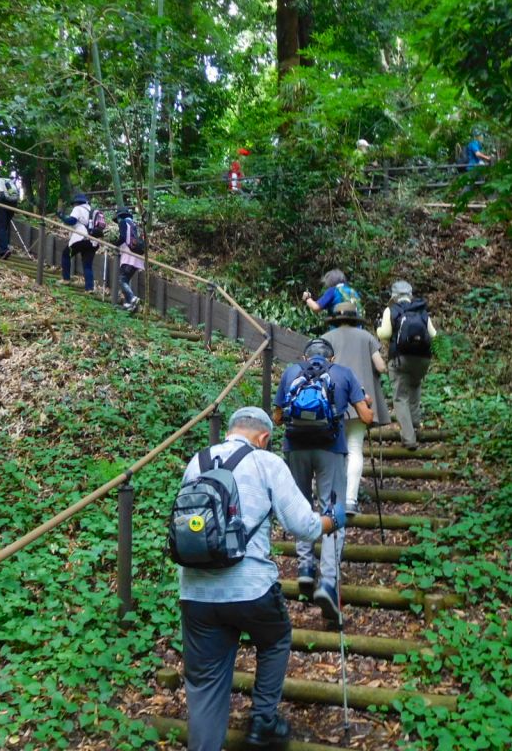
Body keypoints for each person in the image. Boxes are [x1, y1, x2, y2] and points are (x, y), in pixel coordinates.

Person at [179, 406, 346, 750]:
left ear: (229, 430)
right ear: (265, 438)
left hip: (195, 592)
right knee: (275, 640)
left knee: (206, 681)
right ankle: (263, 721)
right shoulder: (266, 462)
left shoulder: (197, 461)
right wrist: (333, 520)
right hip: (251, 588)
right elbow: (304, 526)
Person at [273, 339, 373, 624]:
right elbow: (366, 418)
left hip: (295, 448)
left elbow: (278, 418)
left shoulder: (291, 372)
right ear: (333, 357)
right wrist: (365, 403)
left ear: (305, 356)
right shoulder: (343, 374)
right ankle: (328, 582)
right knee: (334, 512)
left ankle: (305, 568)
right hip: (331, 449)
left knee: (301, 504)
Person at [321, 310, 390, 515]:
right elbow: (381, 366)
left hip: (331, 402)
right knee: (354, 447)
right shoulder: (366, 337)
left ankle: (333, 499)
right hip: (360, 401)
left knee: (334, 450)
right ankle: (351, 500)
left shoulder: (326, 339)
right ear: (354, 319)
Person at [376, 280, 437, 450]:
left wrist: (378, 330)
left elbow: (385, 334)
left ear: (394, 296)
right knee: (415, 388)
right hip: (423, 359)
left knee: (400, 397)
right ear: (410, 295)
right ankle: (415, 424)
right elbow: (434, 335)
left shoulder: (391, 310)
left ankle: (409, 439)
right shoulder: (422, 310)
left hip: (400, 358)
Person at [57, 193, 99, 291]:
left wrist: (61, 216)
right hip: (93, 242)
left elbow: (71, 221)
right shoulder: (92, 210)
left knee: (66, 254)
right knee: (87, 265)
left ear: (76, 203)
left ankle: (66, 279)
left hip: (80, 239)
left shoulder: (78, 209)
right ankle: (90, 289)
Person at [115, 206, 143, 312]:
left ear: (120, 216)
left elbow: (122, 237)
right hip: (137, 256)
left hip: (129, 255)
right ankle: (128, 305)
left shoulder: (124, 222)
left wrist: (115, 245)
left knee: (122, 279)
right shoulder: (135, 225)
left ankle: (132, 298)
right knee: (126, 279)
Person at [0, 169, 19, 260]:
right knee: (4, 227)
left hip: (1, 202)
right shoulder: (6, 180)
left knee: (0, 227)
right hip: (13, 203)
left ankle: (4, 250)